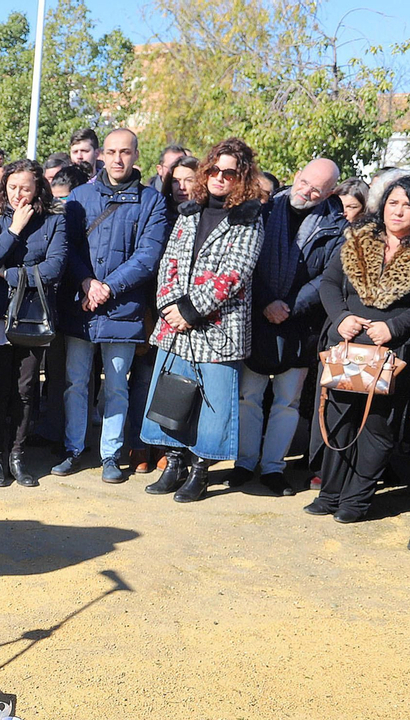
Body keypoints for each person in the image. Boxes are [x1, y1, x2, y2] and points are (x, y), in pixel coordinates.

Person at [306, 174, 410, 522]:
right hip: (345, 343)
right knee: (336, 418)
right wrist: (341, 316)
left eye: (409, 205)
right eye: (393, 203)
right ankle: (330, 494)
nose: (398, 212)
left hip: (395, 350)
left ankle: (355, 501)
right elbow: (329, 282)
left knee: (377, 427)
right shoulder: (358, 238)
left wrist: (394, 326)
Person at [141, 137, 267, 503]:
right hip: (176, 326)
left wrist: (190, 311)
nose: (219, 178)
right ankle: (175, 463)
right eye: (214, 170)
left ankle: (199, 471)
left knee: (213, 406)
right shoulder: (189, 212)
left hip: (218, 328)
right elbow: (169, 264)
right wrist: (169, 307)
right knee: (173, 396)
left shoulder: (249, 219)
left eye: (229, 173)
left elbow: (234, 274)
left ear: (241, 178)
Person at [57, 128, 169, 482]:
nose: (118, 159)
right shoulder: (79, 196)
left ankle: (110, 454)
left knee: (117, 385)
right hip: (83, 305)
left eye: (125, 152)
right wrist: (87, 282)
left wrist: (109, 287)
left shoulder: (152, 201)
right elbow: (68, 248)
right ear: (101, 155)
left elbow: (149, 255)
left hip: (123, 308)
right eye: (111, 151)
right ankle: (73, 449)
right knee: (76, 382)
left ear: (136, 155)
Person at [239, 158, 346, 495]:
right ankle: (244, 463)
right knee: (249, 396)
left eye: (316, 188)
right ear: (297, 175)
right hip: (258, 316)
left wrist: (290, 306)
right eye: (304, 182)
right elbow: (246, 262)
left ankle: (273, 467)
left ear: (330, 192)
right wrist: (267, 302)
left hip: (301, 324)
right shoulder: (266, 209)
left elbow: (329, 276)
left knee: (287, 401)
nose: (306, 191)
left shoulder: (337, 225)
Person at [0, 158, 66, 489]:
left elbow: (54, 268)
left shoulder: (55, 220)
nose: (18, 194)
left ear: (38, 187)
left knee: (25, 390)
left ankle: (17, 455)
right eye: (12, 187)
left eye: (25, 188)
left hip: (32, 316)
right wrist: (13, 230)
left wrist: (10, 275)